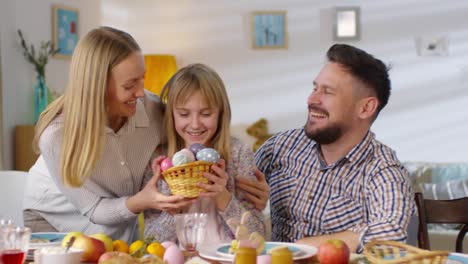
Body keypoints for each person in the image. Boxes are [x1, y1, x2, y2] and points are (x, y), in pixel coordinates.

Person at [239, 44, 416, 253]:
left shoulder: (383, 170)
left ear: (365, 108)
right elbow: (233, 198)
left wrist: (305, 247)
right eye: (315, 88)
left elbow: (391, 235)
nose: (312, 99)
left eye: (328, 92)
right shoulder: (281, 146)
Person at [22, 26, 193, 242]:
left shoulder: (152, 110)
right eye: (130, 85)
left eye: (142, 79)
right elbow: (94, 209)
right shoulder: (57, 135)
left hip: (115, 219)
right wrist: (142, 200)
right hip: (52, 217)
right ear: (98, 86)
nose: (141, 92)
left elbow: (192, 143)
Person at [144, 63, 265, 244]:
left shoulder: (238, 153)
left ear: (220, 114)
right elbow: (150, 242)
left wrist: (222, 197)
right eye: (184, 114)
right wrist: (175, 210)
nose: (194, 124)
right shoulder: (160, 161)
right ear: (172, 115)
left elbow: (258, 237)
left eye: (206, 113)